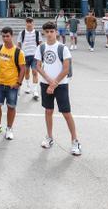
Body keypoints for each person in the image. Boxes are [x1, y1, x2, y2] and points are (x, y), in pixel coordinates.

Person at [34, 22, 80, 155]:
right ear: (43, 33)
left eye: (51, 31)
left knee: (66, 112)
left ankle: (75, 140)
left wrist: (54, 84)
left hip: (61, 85)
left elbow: (66, 69)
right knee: (48, 111)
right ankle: (49, 137)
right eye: (46, 32)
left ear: (56, 32)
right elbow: (38, 66)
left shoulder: (62, 48)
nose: (49, 34)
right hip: (45, 84)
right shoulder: (41, 47)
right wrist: (49, 81)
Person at [0, 27, 25, 140]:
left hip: (12, 85)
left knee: (11, 107)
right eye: (3, 36)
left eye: (7, 36)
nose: (5, 38)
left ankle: (9, 128)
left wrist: (18, 83)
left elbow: (23, 68)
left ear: (12, 36)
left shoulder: (18, 52)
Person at [17, 17, 41, 99]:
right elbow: (19, 44)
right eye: (27, 22)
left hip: (35, 56)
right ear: (25, 23)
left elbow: (41, 44)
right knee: (26, 72)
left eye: (31, 22)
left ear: (33, 23)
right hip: (24, 56)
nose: (29, 24)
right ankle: (28, 86)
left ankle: (35, 91)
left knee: (34, 72)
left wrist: (41, 56)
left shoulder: (37, 33)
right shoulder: (22, 33)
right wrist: (18, 55)